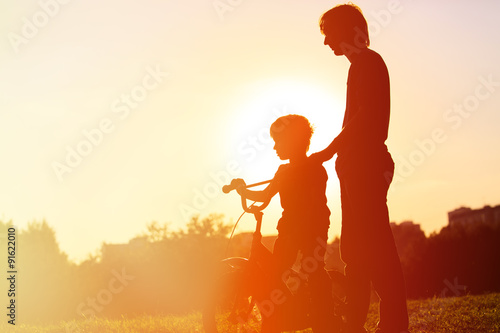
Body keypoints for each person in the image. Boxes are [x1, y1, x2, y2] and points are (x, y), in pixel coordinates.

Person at [312, 3, 410, 333]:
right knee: (355, 252)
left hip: (366, 166)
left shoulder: (368, 62)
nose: (326, 43)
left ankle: (393, 325)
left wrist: (328, 150)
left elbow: (364, 117)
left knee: (377, 248)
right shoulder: (360, 66)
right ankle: (355, 324)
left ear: (346, 30)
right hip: (354, 167)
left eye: (328, 34)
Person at [231, 114, 336, 332]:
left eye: (278, 141)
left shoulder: (315, 166)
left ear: (294, 140)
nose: (275, 147)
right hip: (288, 228)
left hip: (312, 227)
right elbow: (265, 196)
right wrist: (244, 190)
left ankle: (324, 318)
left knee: (314, 267)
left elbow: (313, 203)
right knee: (274, 271)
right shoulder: (283, 171)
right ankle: (284, 314)